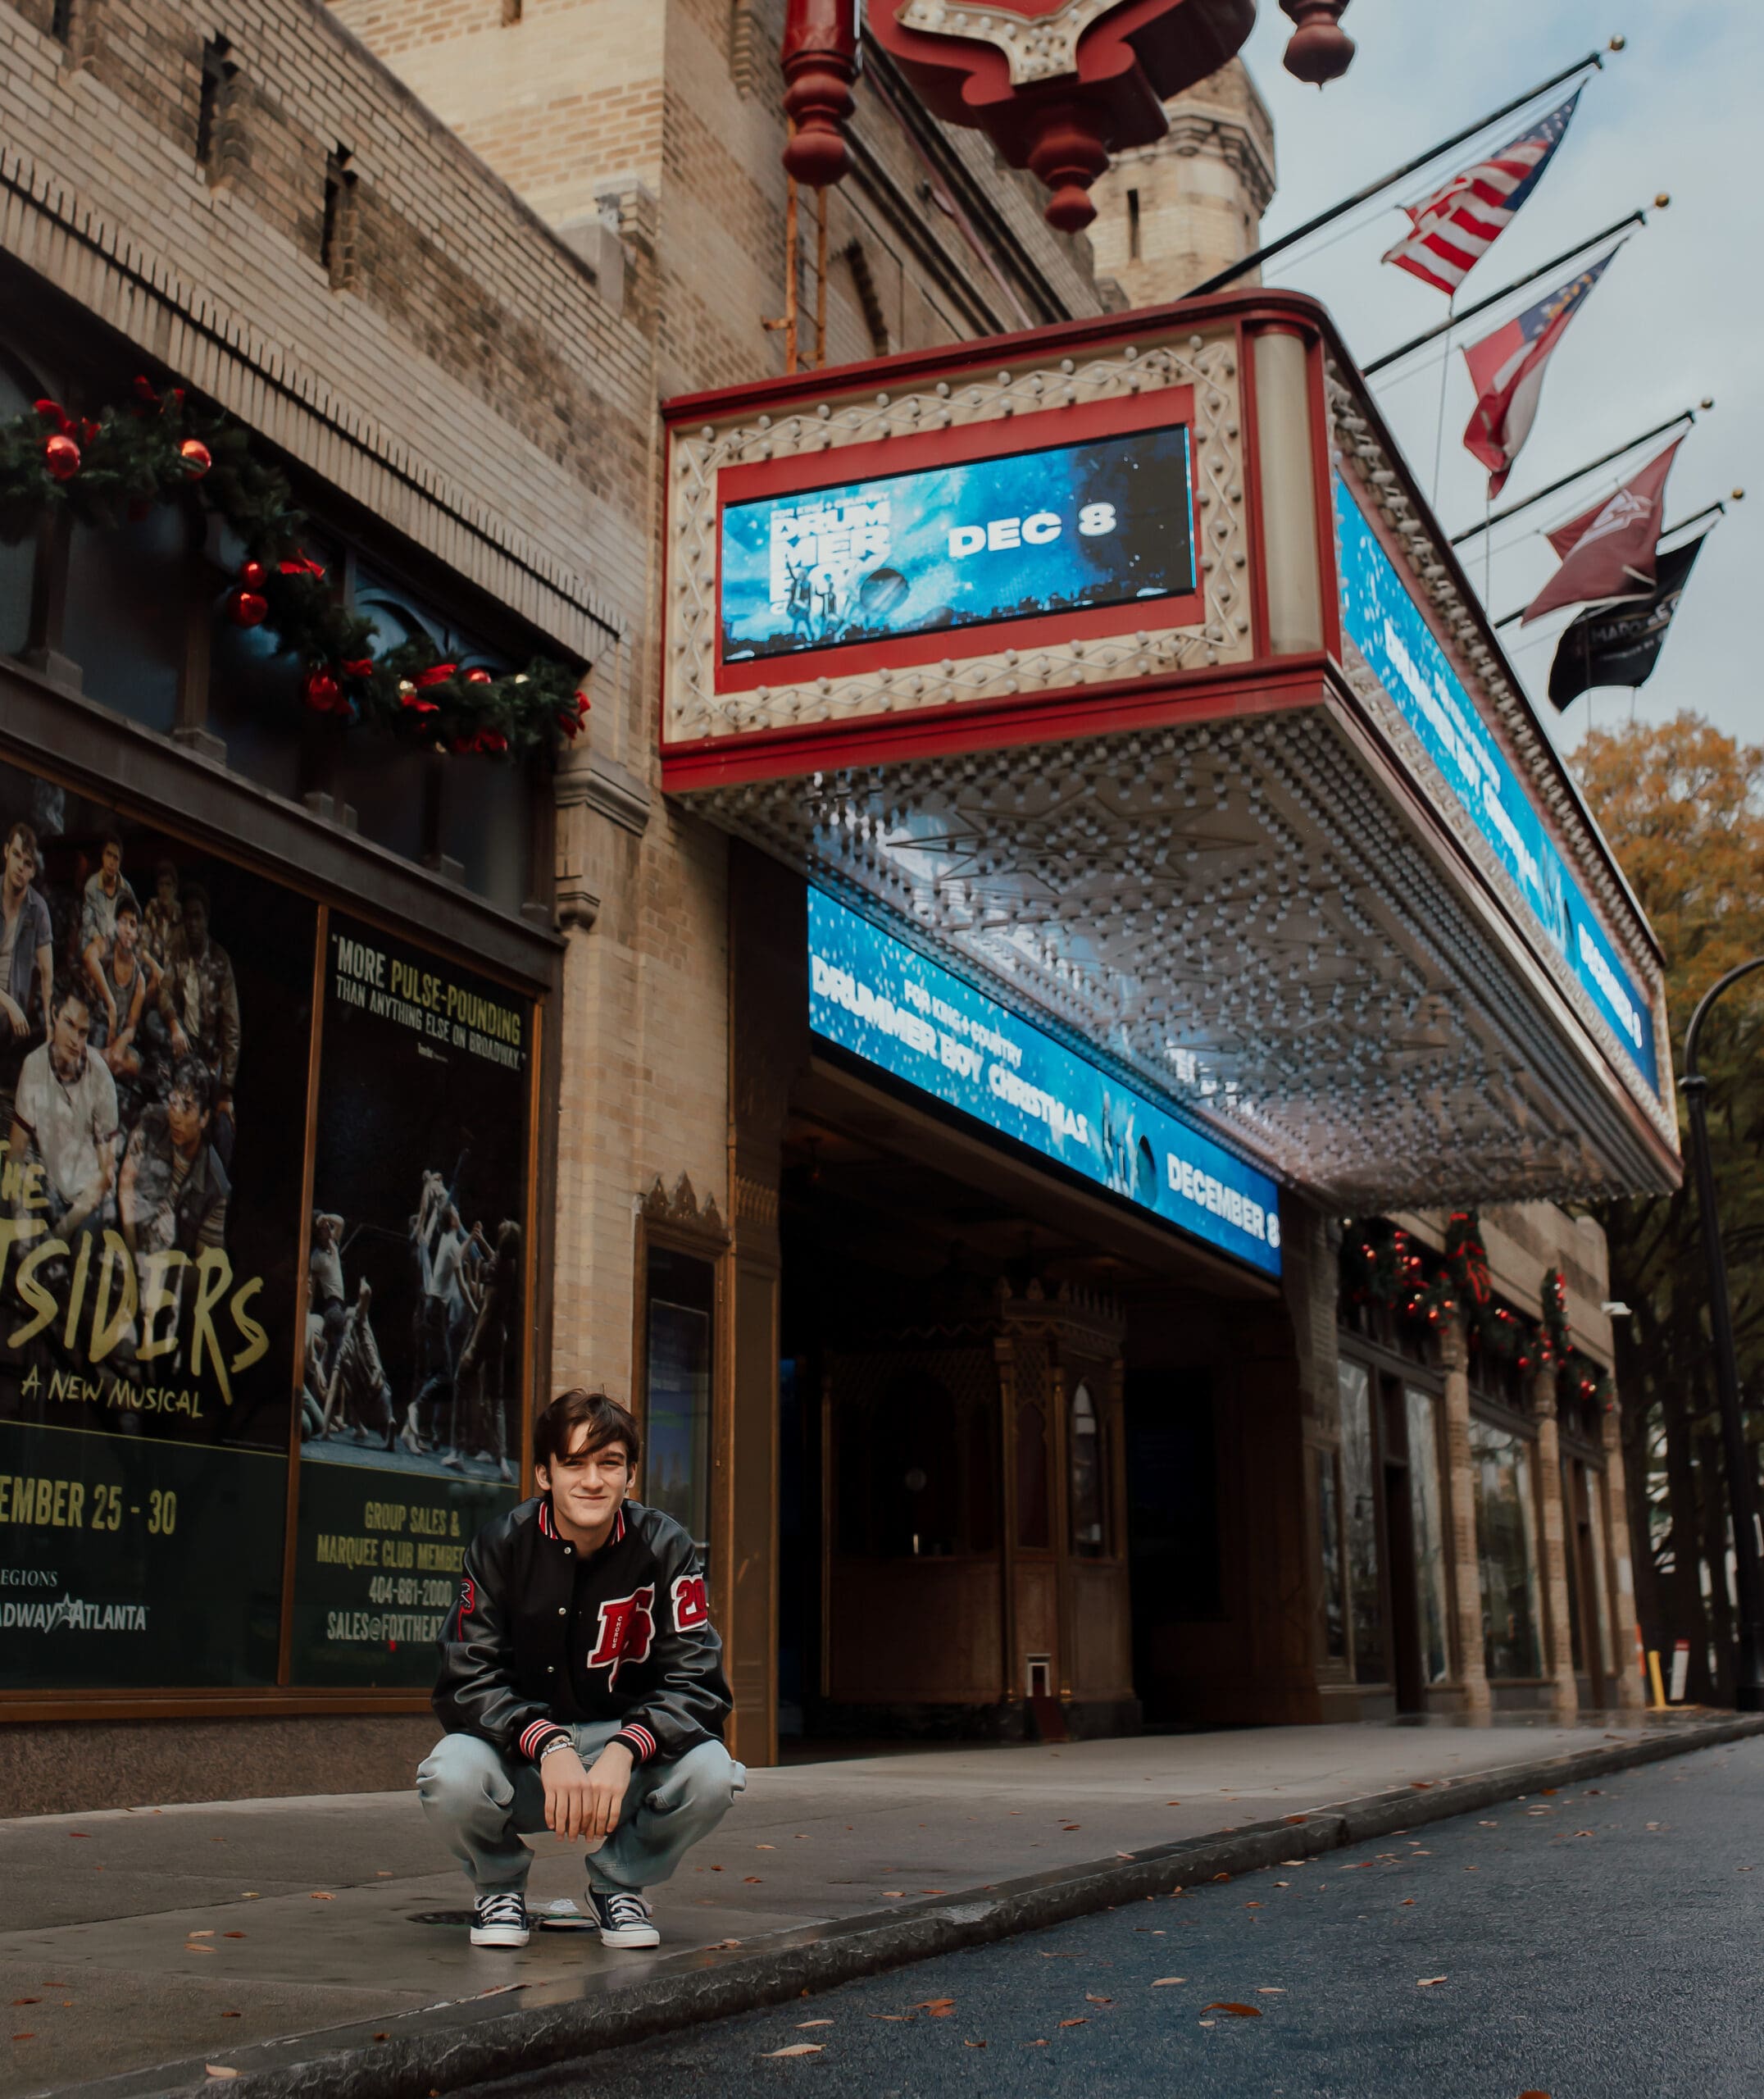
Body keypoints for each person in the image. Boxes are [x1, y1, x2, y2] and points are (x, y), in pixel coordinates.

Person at [418, 1390, 741, 1951]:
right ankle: (498, 1888)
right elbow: (465, 1676)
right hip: (520, 1758)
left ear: (631, 1475)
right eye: (573, 1463)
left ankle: (620, 1884)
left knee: (715, 1771)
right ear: (544, 1474)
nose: (592, 1480)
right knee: (447, 1773)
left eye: (609, 1463)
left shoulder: (666, 1547)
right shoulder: (502, 1546)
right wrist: (546, 1742)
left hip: (626, 1760)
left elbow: (700, 1682)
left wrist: (629, 1747)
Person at [9, 979, 119, 1237]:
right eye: (69, 1024)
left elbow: (105, 1176)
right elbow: (16, 1149)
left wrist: (61, 1232)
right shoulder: (34, 1065)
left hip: (90, 1199)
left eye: (83, 1032)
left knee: (80, 1249)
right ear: (54, 1015)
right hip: (51, 1189)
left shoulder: (100, 1077)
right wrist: (18, 1213)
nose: (75, 1040)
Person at [156, 881, 239, 1165]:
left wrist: (226, 1091)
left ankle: (216, 1200)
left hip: (210, 1061)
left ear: (206, 919)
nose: (192, 923)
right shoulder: (177, 950)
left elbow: (231, 1028)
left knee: (224, 1126)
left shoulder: (219, 962)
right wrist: (174, 1025)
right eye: (188, 916)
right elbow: (164, 992)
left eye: (198, 916)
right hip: (181, 1055)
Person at [117, 1056, 230, 1259]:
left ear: (204, 1118)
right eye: (173, 1102)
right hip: (128, 1241)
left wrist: (162, 1275)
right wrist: (132, 1255)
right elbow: (126, 1183)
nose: (176, 1115)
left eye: (187, 1106)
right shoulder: (151, 1122)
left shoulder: (216, 1185)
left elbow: (205, 1264)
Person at [0, 820, 53, 1123]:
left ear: (33, 871)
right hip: (6, 1009)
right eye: (18, 855)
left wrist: (48, 1024)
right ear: (6, 852)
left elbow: (47, 974)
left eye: (28, 862)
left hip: (11, 1024)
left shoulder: (38, 909)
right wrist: (8, 1003)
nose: (21, 866)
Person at [80, 831, 138, 1040]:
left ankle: (124, 1020)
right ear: (102, 856)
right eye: (108, 855)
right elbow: (88, 923)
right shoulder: (92, 886)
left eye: (116, 857)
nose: (112, 861)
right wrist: (98, 936)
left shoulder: (126, 889)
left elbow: (134, 921)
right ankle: (109, 1003)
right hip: (101, 938)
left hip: (121, 942)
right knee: (89, 955)